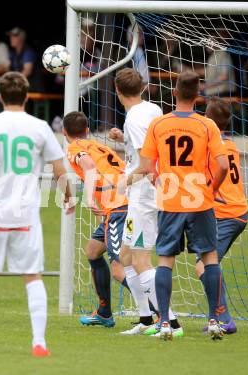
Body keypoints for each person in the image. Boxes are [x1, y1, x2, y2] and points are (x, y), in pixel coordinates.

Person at [0, 71, 74, 356]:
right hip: (25, 213)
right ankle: (39, 342)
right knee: (32, 276)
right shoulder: (40, 126)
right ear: (27, 95)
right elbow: (60, 171)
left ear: (1, 97)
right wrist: (68, 197)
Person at [137, 70, 229, 340]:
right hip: (200, 200)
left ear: (174, 93)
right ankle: (214, 320)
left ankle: (165, 322)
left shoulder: (159, 124)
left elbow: (146, 167)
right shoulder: (207, 125)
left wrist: (160, 183)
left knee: (166, 259)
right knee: (210, 257)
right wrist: (212, 187)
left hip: (171, 201)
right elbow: (222, 165)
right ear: (198, 96)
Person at [109, 68, 181, 336]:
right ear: (142, 88)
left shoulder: (135, 121)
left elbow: (146, 164)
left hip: (145, 195)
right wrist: (123, 138)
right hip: (148, 192)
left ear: (117, 91)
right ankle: (146, 320)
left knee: (140, 260)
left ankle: (171, 322)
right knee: (125, 256)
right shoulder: (153, 108)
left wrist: (123, 182)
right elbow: (153, 145)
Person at [63, 111, 129, 328]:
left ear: (64, 133)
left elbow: (89, 167)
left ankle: (161, 313)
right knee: (92, 251)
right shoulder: (99, 146)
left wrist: (90, 198)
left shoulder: (75, 148)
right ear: (87, 131)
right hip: (121, 204)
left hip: (118, 208)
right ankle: (104, 312)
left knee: (120, 269)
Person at [195, 97, 248, 334]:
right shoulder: (229, 144)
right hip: (237, 212)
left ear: (208, 120)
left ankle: (223, 318)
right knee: (209, 263)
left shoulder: (210, 149)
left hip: (226, 213)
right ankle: (215, 316)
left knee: (203, 265)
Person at [8, 27, 44, 92]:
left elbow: (27, 71)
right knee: (1, 90)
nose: (11, 39)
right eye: (11, 37)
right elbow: (6, 66)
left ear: (22, 38)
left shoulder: (28, 51)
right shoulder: (13, 53)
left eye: (14, 37)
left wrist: (13, 81)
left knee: (8, 91)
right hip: (21, 85)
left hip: (32, 86)